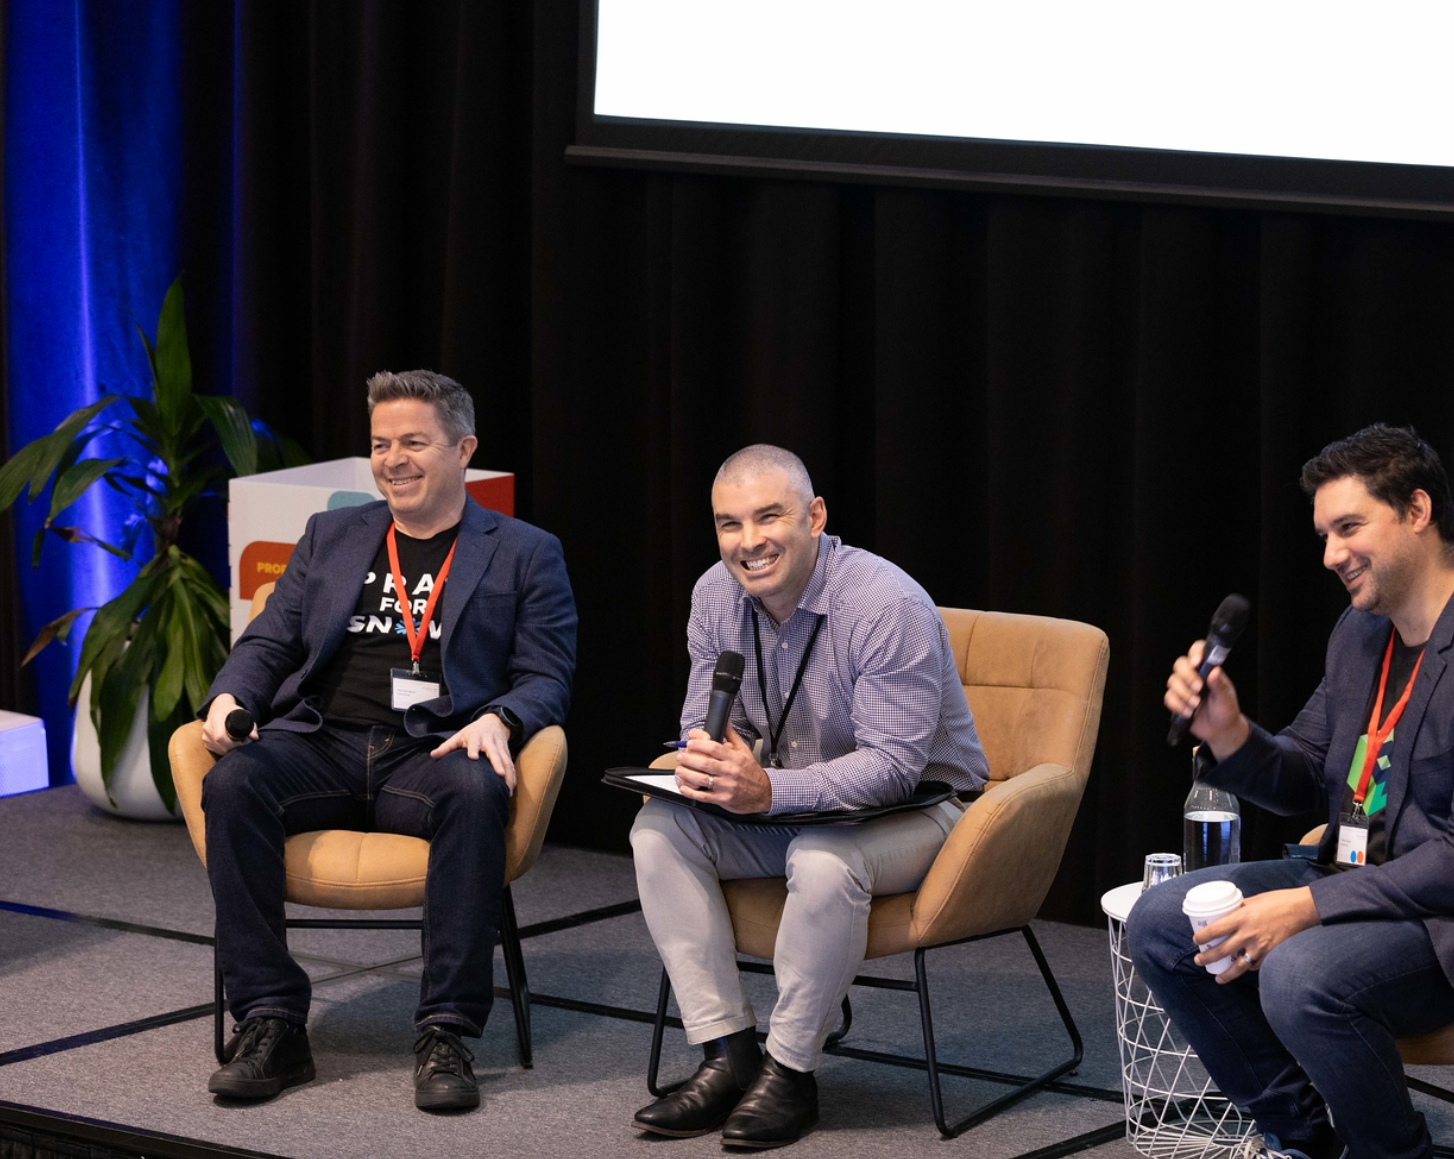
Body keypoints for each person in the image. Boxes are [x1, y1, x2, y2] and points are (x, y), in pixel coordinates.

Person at [1131, 424, 1454, 1159]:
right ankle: (1301, 1139)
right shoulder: (1360, 634)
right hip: (1370, 873)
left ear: (1417, 510)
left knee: (1299, 970)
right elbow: (1305, 777)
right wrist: (1229, 734)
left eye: (1348, 526)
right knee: (1161, 921)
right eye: (1323, 533)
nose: (1329, 555)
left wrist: (1305, 906)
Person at [197, 370, 577, 1111]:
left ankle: (446, 1030)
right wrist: (229, 694)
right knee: (231, 783)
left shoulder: (525, 551)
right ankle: (271, 1018)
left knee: (477, 789)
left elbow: (548, 675)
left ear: (463, 448)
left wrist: (500, 718)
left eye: (413, 442)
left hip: (433, 750)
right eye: (380, 443)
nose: (393, 459)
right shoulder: (332, 534)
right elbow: (269, 638)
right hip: (323, 740)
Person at [629, 444, 987, 1149]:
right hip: (791, 804)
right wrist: (701, 763)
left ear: (815, 515)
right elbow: (701, 722)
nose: (748, 541)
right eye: (729, 524)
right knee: (658, 829)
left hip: (920, 811)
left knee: (825, 859)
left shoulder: (884, 603)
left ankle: (790, 1071)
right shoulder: (713, 595)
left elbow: (890, 766)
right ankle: (728, 1052)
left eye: (768, 517)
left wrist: (764, 790)